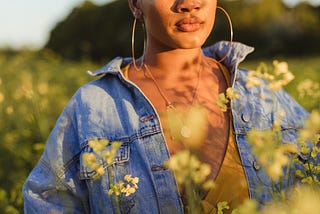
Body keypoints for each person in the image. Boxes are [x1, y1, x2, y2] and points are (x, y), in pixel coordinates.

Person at [23, 0, 309, 213]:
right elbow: (46, 203)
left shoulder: (262, 96)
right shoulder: (93, 107)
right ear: (136, 4)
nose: (189, 4)